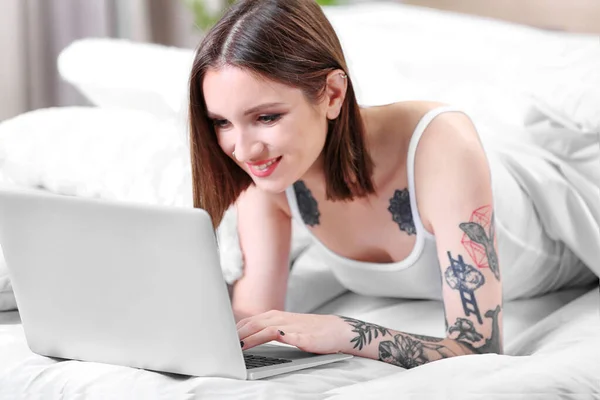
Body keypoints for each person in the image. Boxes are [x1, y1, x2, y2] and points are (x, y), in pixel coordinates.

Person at [187, 0, 512, 369]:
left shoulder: (442, 148)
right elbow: (251, 320)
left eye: (266, 117)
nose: (242, 150)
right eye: (222, 123)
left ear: (333, 94)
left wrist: (345, 333)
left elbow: (480, 348)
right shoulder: (267, 174)